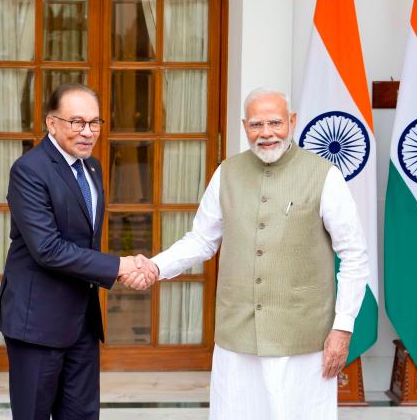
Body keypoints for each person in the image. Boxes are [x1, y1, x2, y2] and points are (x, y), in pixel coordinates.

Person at [123, 88, 369, 420]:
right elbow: (201, 240)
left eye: (275, 123)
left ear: (292, 122)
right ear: (244, 126)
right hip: (236, 337)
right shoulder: (227, 172)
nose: (266, 133)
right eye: (256, 124)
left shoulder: (324, 175)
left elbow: (354, 254)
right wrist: (154, 266)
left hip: (302, 340)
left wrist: (342, 328)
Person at [0, 83, 158, 420]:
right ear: (52, 123)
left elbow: (84, 240)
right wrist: (120, 266)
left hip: (81, 322)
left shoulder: (91, 168)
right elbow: (47, 248)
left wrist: (122, 267)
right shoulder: (29, 170)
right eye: (76, 122)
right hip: (36, 323)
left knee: (82, 415)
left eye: (94, 123)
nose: (87, 132)